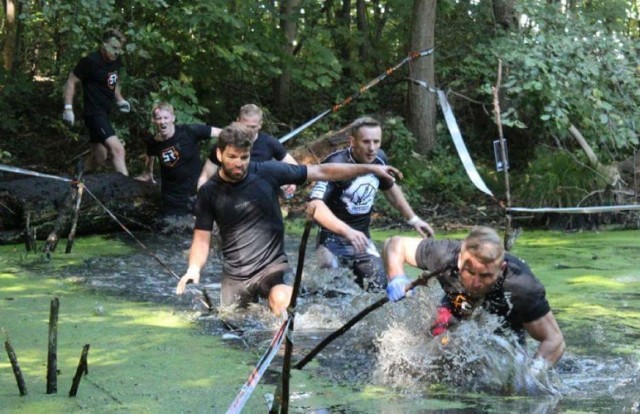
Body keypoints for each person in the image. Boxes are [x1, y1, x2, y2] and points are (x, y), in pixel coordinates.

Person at [176, 122, 402, 316]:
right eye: (232, 157)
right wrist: (194, 268)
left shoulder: (268, 171)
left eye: (244, 157)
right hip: (235, 276)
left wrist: (369, 169)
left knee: (281, 298)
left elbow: (322, 171)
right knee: (232, 323)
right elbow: (202, 238)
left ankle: (285, 335)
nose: (239, 163)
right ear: (219, 154)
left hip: (273, 267)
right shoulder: (208, 192)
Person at [383, 226, 565, 368]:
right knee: (435, 351)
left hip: (504, 320)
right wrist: (396, 276)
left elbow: (554, 341)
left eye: (486, 276)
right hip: (456, 304)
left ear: (501, 268)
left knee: (506, 364)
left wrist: (530, 377)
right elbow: (395, 244)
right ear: (460, 260)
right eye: (469, 272)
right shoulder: (444, 254)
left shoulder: (522, 287)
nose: (476, 283)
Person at [307, 117, 434, 292]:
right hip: (331, 241)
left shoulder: (379, 159)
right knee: (333, 292)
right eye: (366, 142)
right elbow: (314, 207)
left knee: (380, 288)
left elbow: (390, 188)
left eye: (376, 141)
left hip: (362, 240)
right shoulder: (335, 164)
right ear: (352, 141)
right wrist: (347, 231)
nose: (372, 148)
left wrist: (413, 219)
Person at [62, 28, 131, 176]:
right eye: (114, 48)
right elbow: (71, 80)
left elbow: (114, 80)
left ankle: (77, 174)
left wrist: (120, 99)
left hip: (105, 112)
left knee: (100, 157)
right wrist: (68, 107)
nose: (117, 52)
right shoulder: (90, 61)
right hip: (94, 113)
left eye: (119, 49)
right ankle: (125, 192)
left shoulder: (116, 60)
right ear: (104, 45)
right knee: (118, 150)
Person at [135, 102, 221, 217]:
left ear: (173, 118)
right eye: (159, 118)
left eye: (166, 117)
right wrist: (147, 173)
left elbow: (222, 133)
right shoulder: (153, 142)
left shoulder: (189, 131)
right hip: (172, 198)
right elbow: (150, 156)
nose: (162, 121)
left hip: (197, 192)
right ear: (154, 121)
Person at [197, 104, 297, 197]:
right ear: (237, 122)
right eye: (245, 126)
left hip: (261, 200)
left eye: (253, 127)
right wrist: (201, 202)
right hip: (229, 199)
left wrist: (292, 182)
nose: (249, 130)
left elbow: (294, 167)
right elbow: (205, 176)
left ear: (260, 125)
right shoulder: (225, 143)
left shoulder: (270, 142)